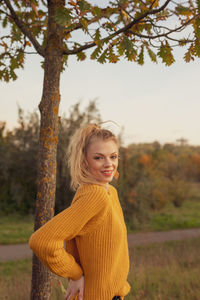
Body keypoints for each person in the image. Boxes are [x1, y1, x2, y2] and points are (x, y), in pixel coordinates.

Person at [29, 123, 130, 300]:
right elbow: (42, 241)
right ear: (84, 162)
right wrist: (75, 274)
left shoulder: (110, 193)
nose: (109, 164)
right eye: (99, 158)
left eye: (113, 156)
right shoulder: (94, 196)